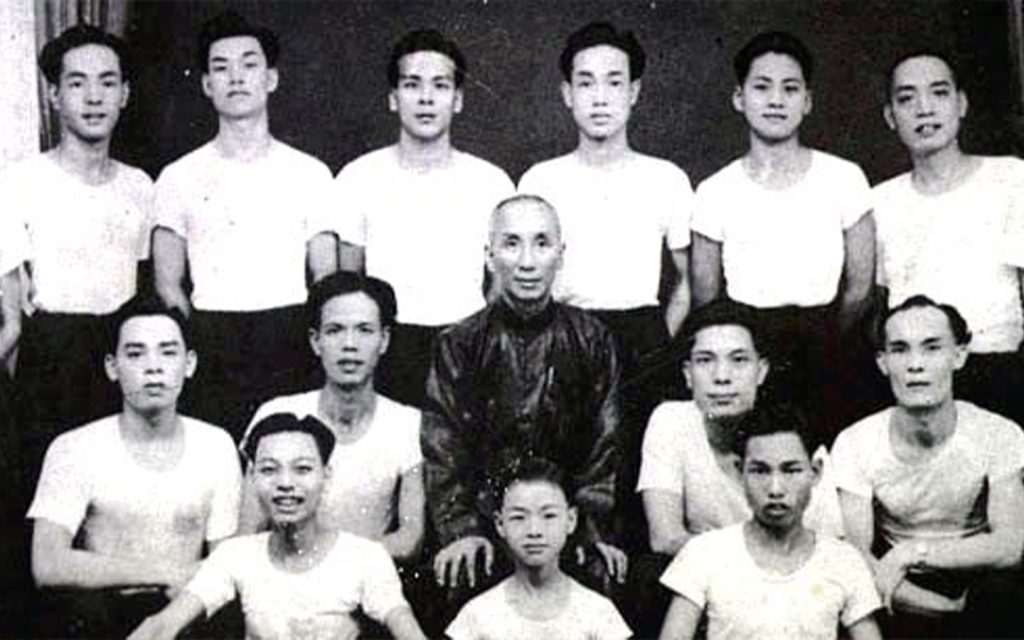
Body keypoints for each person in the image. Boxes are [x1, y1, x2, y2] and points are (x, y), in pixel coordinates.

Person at [518, 22, 694, 547]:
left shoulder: (666, 178)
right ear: (567, 94)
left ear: (634, 92)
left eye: (614, 82)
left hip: (641, 338)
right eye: (587, 82)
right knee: (560, 476)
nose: (600, 97)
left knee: (639, 481)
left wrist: (655, 339)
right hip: (561, 336)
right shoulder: (541, 180)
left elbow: (686, 280)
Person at [422, 194, 625, 601]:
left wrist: (587, 526)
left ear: (561, 254)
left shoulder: (592, 338)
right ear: (489, 255)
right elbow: (443, 446)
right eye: (511, 244)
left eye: (542, 243)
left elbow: (606, 443)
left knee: (602, 573)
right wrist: (461, 530)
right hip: (484, 521)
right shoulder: (459, 342)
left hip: (566, 522)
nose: (527, 262)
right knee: (459, 574)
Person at [153, 10, 338, 438]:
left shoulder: (310, 173)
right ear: (205, 84)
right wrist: (197, 343)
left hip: (290, 338)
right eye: (221, 67)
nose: (236, 77)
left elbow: (326, 276)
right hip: (212, 340)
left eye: (249, 64)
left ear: (271, 78)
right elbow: (168, 283)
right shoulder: (178, 177)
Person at [690, 31, 874, 442]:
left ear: (807, 101)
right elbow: (706, 296)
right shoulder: (714, 190)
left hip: (829, 346)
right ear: (739, 98)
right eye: (762, 87)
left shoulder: (843, 178)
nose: (776, 100)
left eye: (790, 89)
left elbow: (861, 287)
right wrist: (747, 356)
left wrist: (825, 339)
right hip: (749, 354)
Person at [26, 295, 242, 638]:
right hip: (100, 618)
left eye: (168, 352)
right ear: (112, 367)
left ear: (190, 363)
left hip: (185, 614)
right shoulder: (74, 448)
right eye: (136, 353)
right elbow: (48, 563)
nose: (153, 367)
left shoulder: (216, 444)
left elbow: (227, 562)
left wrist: (169, 617)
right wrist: (164, 573)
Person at [630, 299, 843, 636]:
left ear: (762, 371)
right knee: (650, 575)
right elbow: (664, 536)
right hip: (707, 580)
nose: (722, 377)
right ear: (687, 374)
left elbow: (829, 546)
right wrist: (735, 575)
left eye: (738, 360)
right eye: (705, 361)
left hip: (789, 579)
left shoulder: (796, 438)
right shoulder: (670, 420)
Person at [333, 28, 515, 408]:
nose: (427, 98)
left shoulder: (491, 182)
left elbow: (502, 282)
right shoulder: (357, 177)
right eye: (412, 84)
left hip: (468, 344)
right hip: (386, 350)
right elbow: (351, 279)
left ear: (458, 99)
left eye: (441, 85)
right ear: (393, 98)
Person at [4, 24, 154, 482]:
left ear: (125, 94)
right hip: (49, 362)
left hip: (122, 361)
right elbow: (10, 314)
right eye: (77, 82)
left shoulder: (141, 186)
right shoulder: (20, 184)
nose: (94, 97)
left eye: (107, 82)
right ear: (53, 95)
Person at [128, 413, 427, 640]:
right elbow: (163, 624)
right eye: (269, 469)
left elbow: (408, 631)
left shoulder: (365, 557)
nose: (285, 484)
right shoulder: (236, 556)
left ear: (327, 476)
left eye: (303, 469)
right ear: (254, 477)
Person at [831, 295, 1024, 638]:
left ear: (959, 355)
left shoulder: (1000, 433)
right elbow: (856, 557)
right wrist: (947, 610)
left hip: (977, 574)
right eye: (900, 350)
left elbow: (1010, 544)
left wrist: (912, 553)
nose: (915, 364)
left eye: (932, 347)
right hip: (898, 588)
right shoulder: (855, 441)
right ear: (883, 362)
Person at [873, 51, 1024, 426]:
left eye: (939, 93)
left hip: (1000, 369)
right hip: (915, 378)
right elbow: (875, 302)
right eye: (907, 98)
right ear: (891, 116)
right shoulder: (879, 201)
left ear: (961, 104)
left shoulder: (1010, 178)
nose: (924, 109)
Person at [238, 271, 424, 563]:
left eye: (364, 330)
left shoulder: (408, 424)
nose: (349, 344)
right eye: (335, 330)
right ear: (315, 341)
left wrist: (332, 565)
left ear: (384, 340)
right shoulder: (276, 414)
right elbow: (248, 532)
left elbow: (410, 538)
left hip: (365, 581)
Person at [659, 402, 882, 640]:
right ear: (739, 472)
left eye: (790, 470)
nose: (775, 489)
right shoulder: (705, 553)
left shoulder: (843, 560)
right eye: (760, 471)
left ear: (815, 472)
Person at [446, 456, 631, 640]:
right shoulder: (478, 614)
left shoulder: (598, 612)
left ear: (571, 520)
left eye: (549, 516)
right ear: (500, 524)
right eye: (519, 517)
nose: (534, 531)